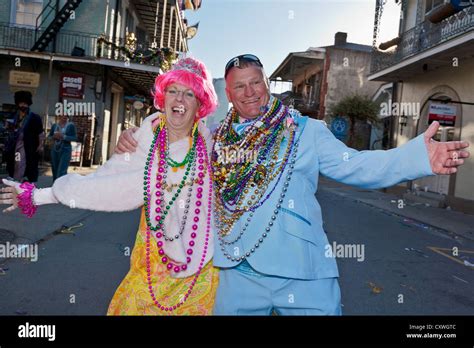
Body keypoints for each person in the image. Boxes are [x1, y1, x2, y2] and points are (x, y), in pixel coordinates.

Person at [114, 54, 470, 315]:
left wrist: (416, 158)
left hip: (303, 274)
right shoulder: (214, 141)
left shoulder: (306, 131)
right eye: (240, 86)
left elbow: (358, 165)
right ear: (230, 96)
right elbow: (174, 139)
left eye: (256, 82)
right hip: (236, 277)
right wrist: (134, 137)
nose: (249, 92)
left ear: (267, 85)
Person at [0, 57, 219, 315]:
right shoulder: (142, 142)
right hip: (152, 263)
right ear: (163, 97)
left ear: (200, 104)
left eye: (189, 93)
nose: (179, 100)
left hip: (203, 270)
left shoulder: (212, 147)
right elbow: (100, 184)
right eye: (173, 91)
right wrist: (36, 196)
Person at [4, 91, 45, 183]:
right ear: (17, 103)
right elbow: (8, 131)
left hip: (28, 146)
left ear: (28, 104)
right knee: (16, 162)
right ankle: (16, 179)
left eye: (25, 103)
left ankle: (20, 181)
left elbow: (40, 133)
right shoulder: (14, 116)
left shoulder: (35, 117)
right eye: (21, 103)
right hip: (15, 146)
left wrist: (40, 145)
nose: (23, 105)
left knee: (23, 164)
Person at [48, 112, 77, 181]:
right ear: (59, 116)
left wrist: (64, 136)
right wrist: (53, 137)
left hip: (65, 149)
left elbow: (74, 138)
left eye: (66, 116)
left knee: (61, 171)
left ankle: (60, 188)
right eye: (62, 115)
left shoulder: (70, 126)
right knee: (55, 170)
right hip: (55, 149)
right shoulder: (54, 126)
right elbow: (49, 136)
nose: (64, 117)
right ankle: (54, 187)